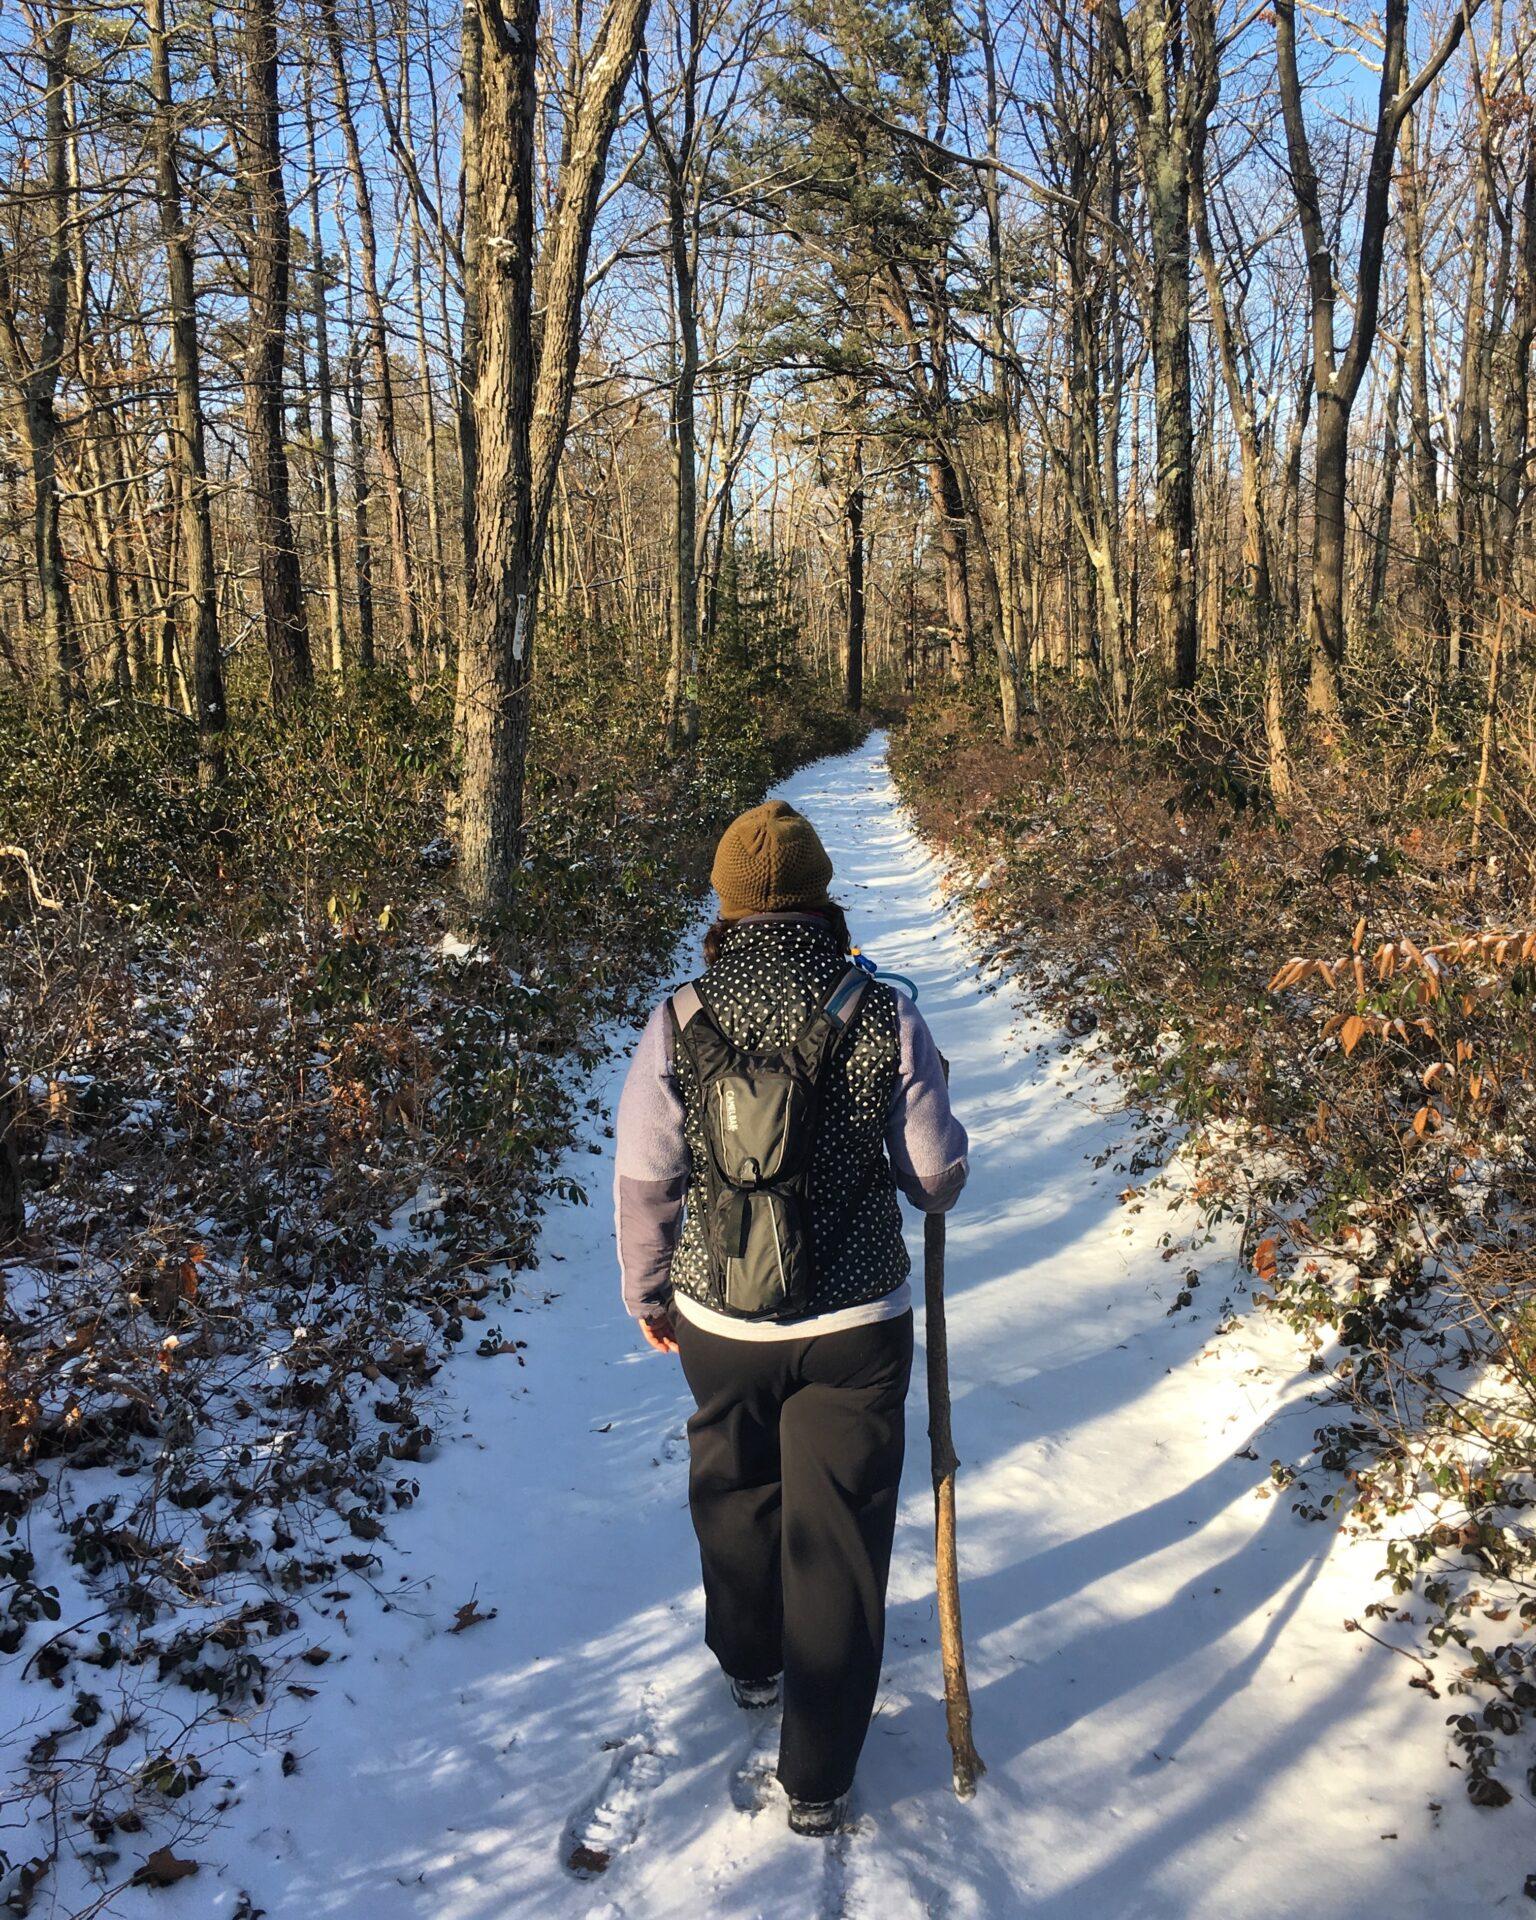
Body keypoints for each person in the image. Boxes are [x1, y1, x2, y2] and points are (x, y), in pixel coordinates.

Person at [613, 798, 968, 1836]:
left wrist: (649, 1293)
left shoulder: (679, 1017)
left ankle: (752, 1662)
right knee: (842, 1530)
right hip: (854, 1323)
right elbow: (933, 1178)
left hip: (719, 1322)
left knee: (732, 1480)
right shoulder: (882, 1009)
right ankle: (817, 1777)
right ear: (822, 897)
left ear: (724, 904)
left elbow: (646, 1176)